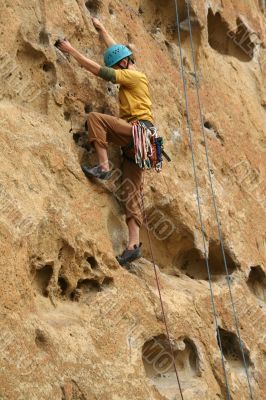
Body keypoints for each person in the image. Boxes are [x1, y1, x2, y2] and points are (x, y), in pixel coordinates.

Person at [57, 18, 155, 265]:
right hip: (144, 142)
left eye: (118, 66)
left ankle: (102, 166)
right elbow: (119, 52)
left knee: (95, 119)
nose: (118, 69)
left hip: (136, 130)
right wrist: (102, 31)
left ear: (123, 64)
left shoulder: (131, 76)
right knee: (132, 191)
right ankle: (133, 245)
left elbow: (98, 70)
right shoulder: (134, 70)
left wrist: (70, 50)